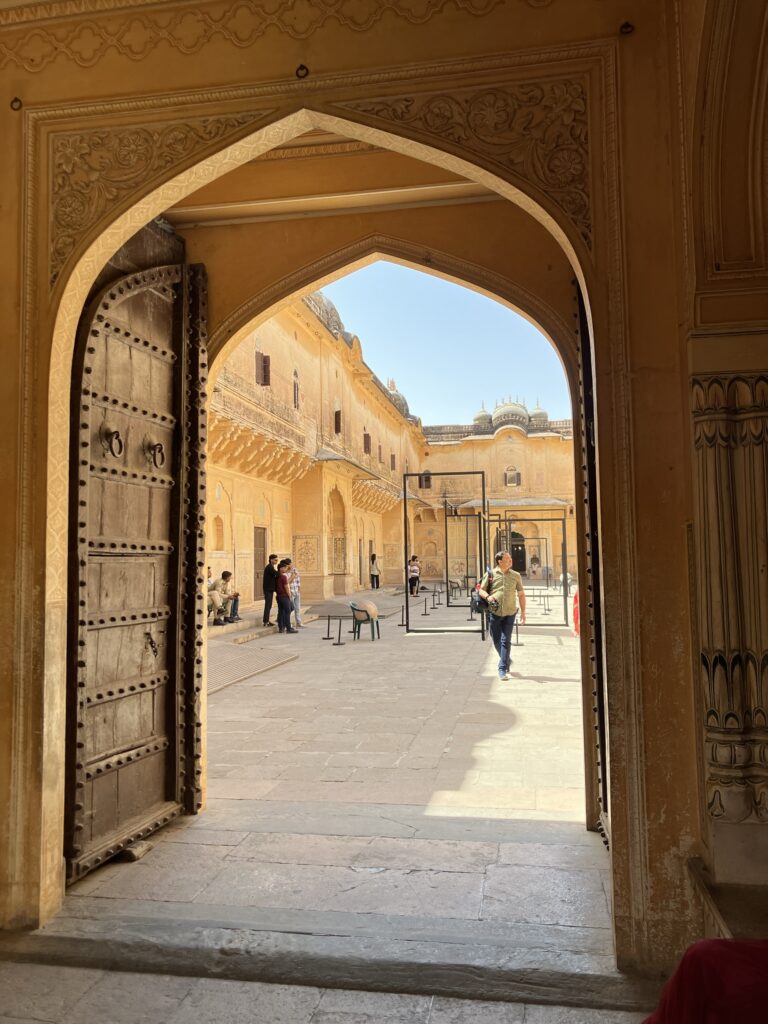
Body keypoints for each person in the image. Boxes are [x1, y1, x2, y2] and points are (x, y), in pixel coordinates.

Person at [478, 550, 526, 681]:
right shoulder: (491, 574)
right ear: (500, 561)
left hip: (510, 612)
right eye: (508, 558)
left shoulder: (516, 575)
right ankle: (506, 659)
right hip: (495, 612)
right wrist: (489, 597)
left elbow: (521, 594)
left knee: (506, 640)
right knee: (496, 639)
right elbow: (481, 589)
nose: (511, 560)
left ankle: (502, 668)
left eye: (510, 558)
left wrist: (523, 612)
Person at [276, 558, 297, 634]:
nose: (286, 569)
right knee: (288, 611)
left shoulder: (277, 576)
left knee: (281, 611)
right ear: (281, 568)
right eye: (285, 568)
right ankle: (288, 628)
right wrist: (289, 595)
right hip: (284, 596)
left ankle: (281, 627)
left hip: (279, 596)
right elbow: (286, 586)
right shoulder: (283, 577)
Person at [262, 553, 279, 626]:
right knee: (268, 605)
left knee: (269, 605)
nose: (276, 561)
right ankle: (266, 622)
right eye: (275, 560)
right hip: (268, 589)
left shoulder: (271, 567)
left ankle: (266, 621)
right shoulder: (269, 567)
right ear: (271, 560)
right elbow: (276, 574)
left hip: (269, 589)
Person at [287, 559, 303, 627]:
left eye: (291, 563)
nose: (291, 565)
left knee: (297, 608)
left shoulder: (295, 570)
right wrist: (292, 576)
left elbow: (298, 580)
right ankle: (288, 622)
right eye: (289, 564)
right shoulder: (286, 572)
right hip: (291, 592)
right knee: (290, 608)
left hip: (296, 591)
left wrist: (299, 590)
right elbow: (287, 582)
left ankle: (298, 622)